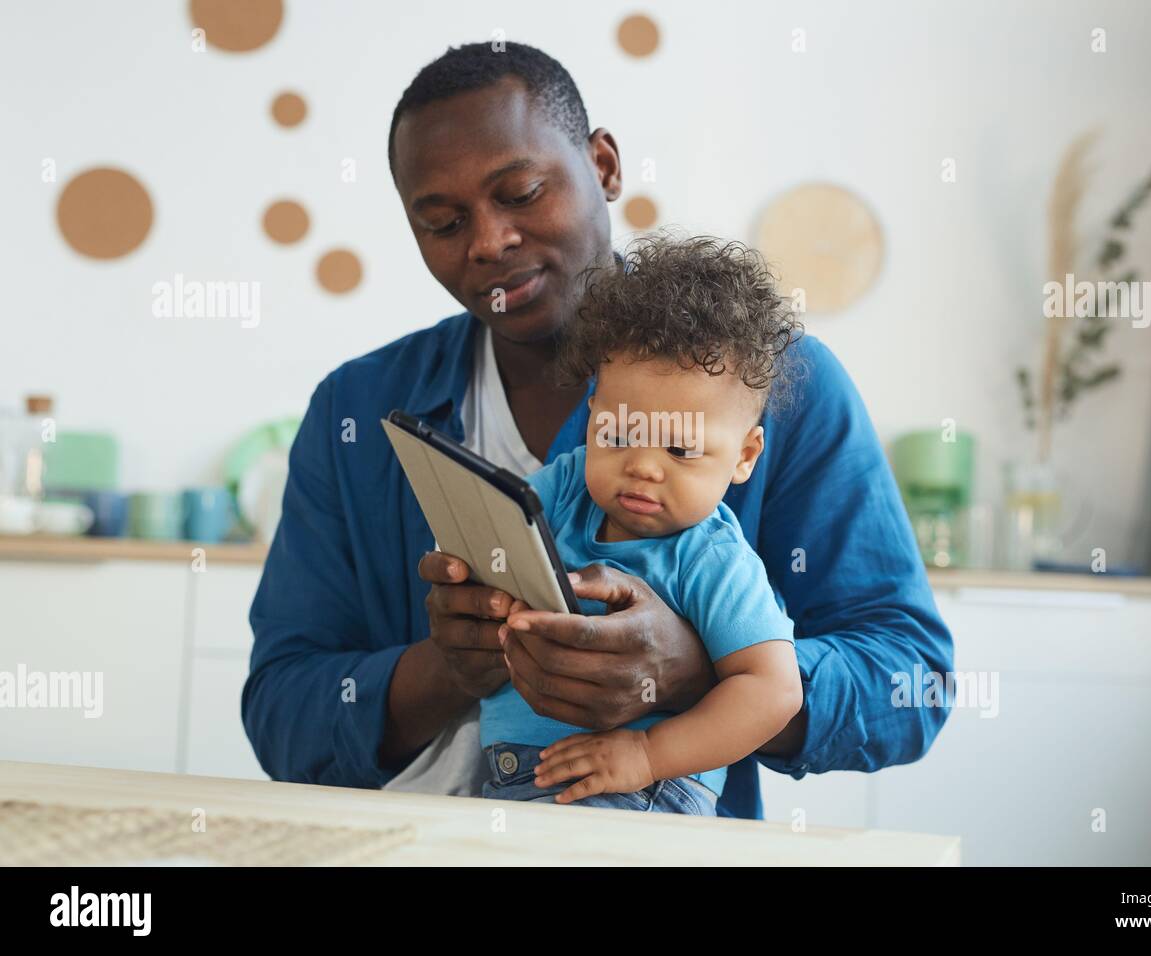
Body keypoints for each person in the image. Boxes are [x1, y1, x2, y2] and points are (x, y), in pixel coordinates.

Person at [242, 41, 954, 820]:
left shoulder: (773, 387)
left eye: (520, 192)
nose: (487, 241)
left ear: (605, 165)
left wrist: (703, 670)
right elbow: (281, 713)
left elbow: (912, 681)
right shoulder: (357, 409)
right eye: (443, 222)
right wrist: (449, 667)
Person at [481, 234, 804, 815]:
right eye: (620, 434)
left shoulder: (711, 557)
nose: (643, 465)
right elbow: (499, 523)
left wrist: (648, 753)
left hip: (642, 792)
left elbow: (774, 690)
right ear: (592, 417)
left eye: (680, 450)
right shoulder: (567, 486)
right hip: (515, 781)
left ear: (745, 456)